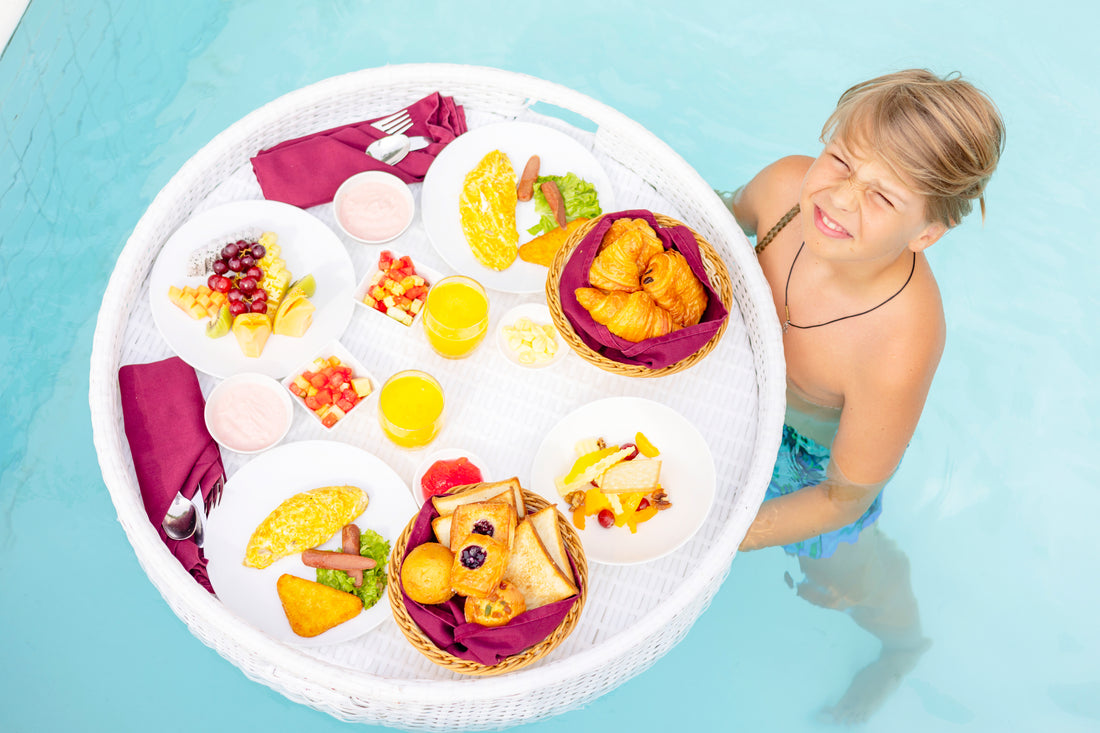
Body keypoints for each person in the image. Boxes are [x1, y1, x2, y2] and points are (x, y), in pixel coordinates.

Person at [724, 69, 1004, 723]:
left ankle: (903, 647)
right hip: (734, 376)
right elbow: (709, 222)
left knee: (845, 572)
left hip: (811, 462)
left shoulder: (898, 342)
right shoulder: (783, 189)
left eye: (881, 197)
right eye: (842, 159)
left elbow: (842, 496)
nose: (840, 199)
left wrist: (730, 533)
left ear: (925, 234)